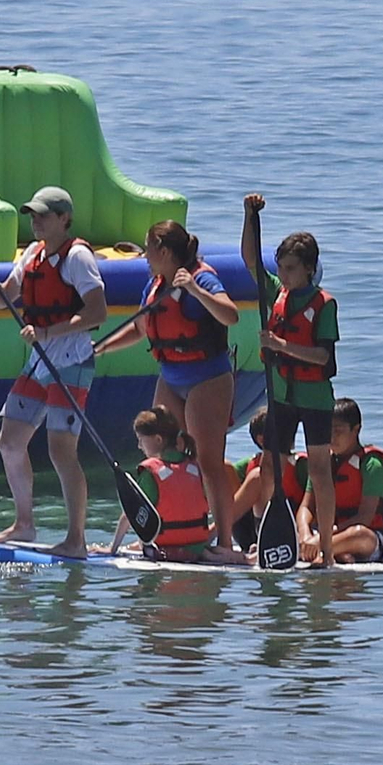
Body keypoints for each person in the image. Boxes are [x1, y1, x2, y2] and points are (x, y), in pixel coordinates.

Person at [0, 186, 104, 558]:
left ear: (64, 220)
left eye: (43, 215)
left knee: (61, 452)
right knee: (9, 442)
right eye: (32, 215)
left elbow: (97, 313)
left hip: (71, 362)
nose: (35, 221)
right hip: (39, 362)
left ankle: (76, 539)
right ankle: (24, 524)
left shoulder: (78, 258)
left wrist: (45, 333)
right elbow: (3, 296)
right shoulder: (33, 255)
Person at [96, 220, 241, 552]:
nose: (145, 256)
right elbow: (140, 329)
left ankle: (226, 544)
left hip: (208, 379)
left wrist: (194, 289)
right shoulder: (155, 284)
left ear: (163, 250)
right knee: (160, 459)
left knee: (207, 462)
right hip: (171, 377)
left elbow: (230, 316)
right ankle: (164, 532)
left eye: (148, 249)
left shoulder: (201, 276)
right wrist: (101, 347)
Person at [240, 193, 339, 566]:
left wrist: (281, 344)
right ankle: (264, 536)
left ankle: (327, 550)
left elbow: (323, 356)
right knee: (270, 466)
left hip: (314, 397)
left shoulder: (323, 304)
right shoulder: (274, 293)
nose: (283, 274)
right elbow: (250, 260)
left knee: (318, 469)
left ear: (309, 269)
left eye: (292, 268)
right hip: (280, 393)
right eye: (281, 267)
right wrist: (249, 215)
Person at [105, 407, 222, 563]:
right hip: (198, 548)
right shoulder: (195, 468)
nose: (139, 446)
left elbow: (129, 515)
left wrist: (112, 549)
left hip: (164, 551)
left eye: (141, 440)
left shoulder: (150, 473)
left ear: (158, 440)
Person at [296, 399, 383, 563]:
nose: (332, 437)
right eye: (328, 431)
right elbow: (306, 506)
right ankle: (329, 552)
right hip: (324, 534)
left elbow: (365, 517)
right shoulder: (322, 464)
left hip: (369, 537)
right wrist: (305, 533)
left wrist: (322, 537)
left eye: (338, 431)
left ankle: (318, 551)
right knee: (295, 530)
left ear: (356, 430)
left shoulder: (372, 464)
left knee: (359, 534)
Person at [229, 407, 306, 551]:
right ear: (262, 439)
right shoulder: (248, 465)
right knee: (227, 470)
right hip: (252, 529)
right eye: (286, 432)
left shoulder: (301, 465)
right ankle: (212, 532)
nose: (291, 435)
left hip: (290, 528)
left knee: (259, 476)